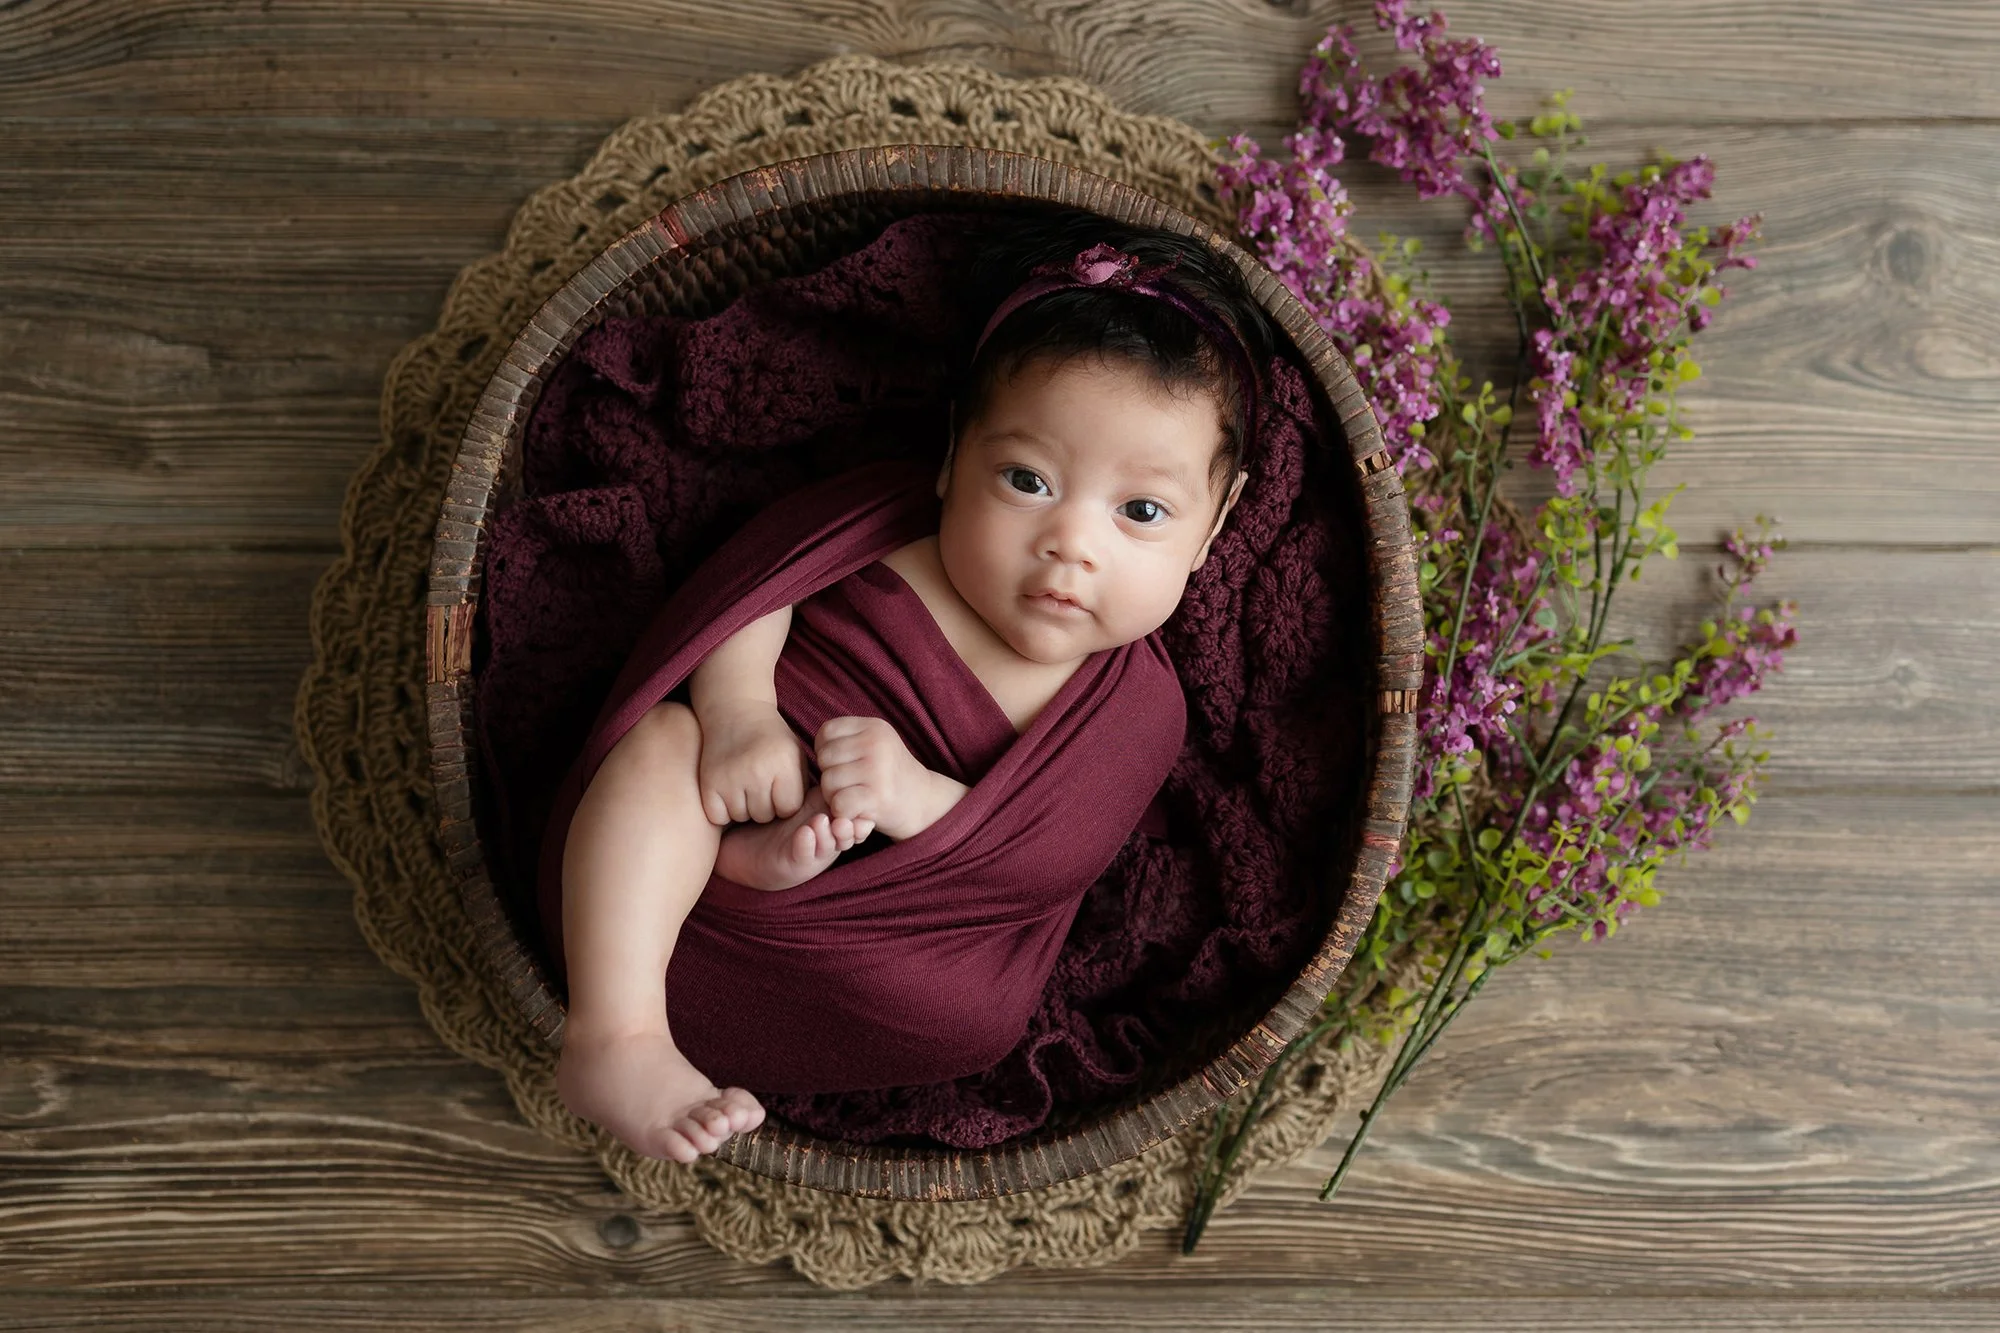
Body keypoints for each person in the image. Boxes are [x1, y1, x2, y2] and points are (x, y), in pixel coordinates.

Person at [550, 214, 1278, 1164]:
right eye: (1026, 478)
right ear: (949, 459)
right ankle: (618, 1030)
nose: (1072, 541)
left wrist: (914, 798)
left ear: (1216, 524)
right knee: (659, 748)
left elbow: (1045, 862)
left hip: (888, 935)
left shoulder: (1139, 706)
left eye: (1141, 511)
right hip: (714, 805)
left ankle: (745, 878)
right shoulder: (883, 521)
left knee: (974, 1014)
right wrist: (738, 713)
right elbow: (744, 600)